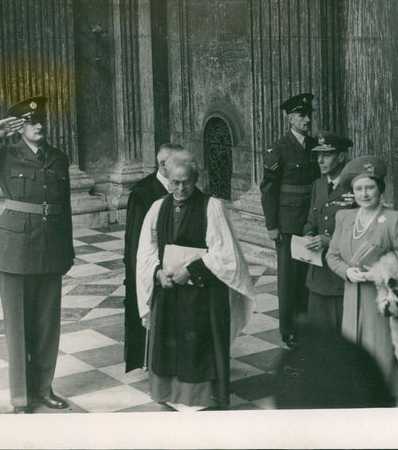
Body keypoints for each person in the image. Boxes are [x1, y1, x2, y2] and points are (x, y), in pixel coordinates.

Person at [0, 96, 73, 413]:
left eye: (41, 120)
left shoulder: (58, 158)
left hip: (51, 246)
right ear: (19, 128)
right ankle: (21, 396)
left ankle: (43, 389)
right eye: (31, 122)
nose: (38, 125)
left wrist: (67, 249)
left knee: (46, 323)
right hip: (14, 248)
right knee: (18, 325)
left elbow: (65, 208)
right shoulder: (4, 155)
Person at [136, 151, 255, 409]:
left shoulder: (211, 206)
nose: (180, 188)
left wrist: (191, 271)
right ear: (167, 179)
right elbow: (146, 249)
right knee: (169, 344)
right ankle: (169, 394)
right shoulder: (158, 208)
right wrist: (157, 273)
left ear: (196, 180)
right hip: (168, 289)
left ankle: (198, 399)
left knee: (198, 344)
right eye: (175, 182)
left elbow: (225, 252)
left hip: (202, 292)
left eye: (186, 182)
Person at [325, 156, 398, 397]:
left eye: (370, 187)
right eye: (359, 188)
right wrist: (347, 272)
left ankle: (385, 391)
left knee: (380, 347)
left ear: (380, 189)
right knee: (354, 348)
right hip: (351, 295)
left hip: (381, 300)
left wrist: (378, 273)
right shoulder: (344, 218)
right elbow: (332, 255)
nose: (364, 194)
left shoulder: (393, 219)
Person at [260, 93, 320, 347]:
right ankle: (289, 330)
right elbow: (268, 189)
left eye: (309, 115)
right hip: (287, 223)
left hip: (310, 221)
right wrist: (272, 225)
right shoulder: (278, 149)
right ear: (290, 119)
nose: (307, 119)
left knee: (310, 274)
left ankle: (307, 325)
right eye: (302, 115)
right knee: (289, 278)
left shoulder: (315, 146)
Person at [123, 143, 184, 373]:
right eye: (177, 163)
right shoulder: (143, 193)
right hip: (154, 265)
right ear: (162, 165)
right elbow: (137, 243)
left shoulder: (181, 185)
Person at [302, 131, 356, 332]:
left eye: (327, 155)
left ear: (342, 157)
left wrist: (329, 240)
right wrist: (308, 235)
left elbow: (361, 232)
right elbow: (310, 221)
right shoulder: (319, 185)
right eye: (318, 155)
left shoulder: (355, 188)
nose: (320, 160)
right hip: (317, 275)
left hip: (341, 278)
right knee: (319, 335)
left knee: (344, 336)